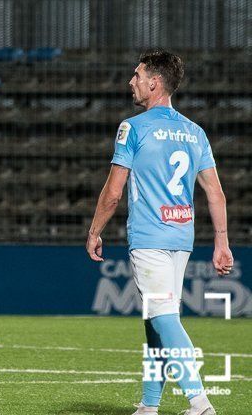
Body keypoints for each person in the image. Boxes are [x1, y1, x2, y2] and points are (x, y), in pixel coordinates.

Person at [86, 50, 233, 415]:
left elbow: (113, 191)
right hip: (181, 239)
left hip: (150, 237)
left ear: (154, 83)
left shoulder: (133, 127)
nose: (131, 81)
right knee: (157, 319)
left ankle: (200, 402)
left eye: (137, 75)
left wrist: (94, 231)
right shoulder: (195, 132)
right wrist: (222, 243)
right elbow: (215, 193)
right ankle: (149, 405)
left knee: (163, 316)